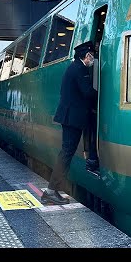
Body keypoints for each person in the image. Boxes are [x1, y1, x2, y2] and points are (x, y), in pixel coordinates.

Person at [42, 40, 98, 205]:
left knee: (65, 152)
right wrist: (103, 95)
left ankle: (52, 190)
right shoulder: (80, 69)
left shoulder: (73, 67)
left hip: (70, 117)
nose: (92, 59)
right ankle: (51, 191)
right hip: (73, 118)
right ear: (86, 55)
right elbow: (87, 92)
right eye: (92, 56)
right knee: (66, 153)